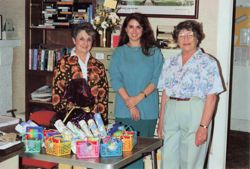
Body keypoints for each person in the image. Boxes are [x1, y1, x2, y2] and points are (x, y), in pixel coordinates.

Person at [157, 20, 224, 169]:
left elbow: (212, 97)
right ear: (176, 39)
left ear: (197, 38)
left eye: (190, 35)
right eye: (181, 35)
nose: (186, 39)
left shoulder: (208, 62)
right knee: (167, 159)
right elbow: (165, 93)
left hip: (195, 111)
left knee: (191, 161)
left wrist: (203, 127)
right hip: (171, 110)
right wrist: (161, 121)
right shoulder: (170, 62)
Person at [109, 13, 164, 169]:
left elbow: (156, 79)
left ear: (144, 29)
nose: (134, 31)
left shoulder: (154, 52)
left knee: (139, 154)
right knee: (123, 154)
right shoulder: (119, 52)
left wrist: (137, 99)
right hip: (124, 110)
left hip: (147, 111)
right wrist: (130, 104)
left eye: (138, 27)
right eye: (131, 26)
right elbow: (115, 79)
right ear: (125, 29)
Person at [52, 22, 109, 168]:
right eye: (82, 39)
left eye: (89, 39)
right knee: (66, 160)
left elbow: (103, 96)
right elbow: (57, 94)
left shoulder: (98, 66)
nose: (85, 43)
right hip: (69, 120)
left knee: (86, 160)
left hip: (91, 123)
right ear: (74, 40)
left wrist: (102, 121)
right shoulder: (63, 63)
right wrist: (67, 116)